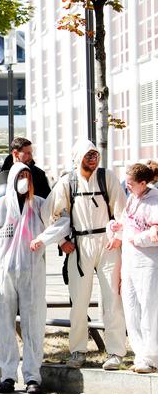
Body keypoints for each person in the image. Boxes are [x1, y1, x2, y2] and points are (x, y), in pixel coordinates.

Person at [0, 163, 70, 394]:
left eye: (27, 176)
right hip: (3, 276)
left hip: (32, 275)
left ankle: (32, 377)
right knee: (5, 326)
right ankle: (7, 375)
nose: (24, 180)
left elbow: (63, 222)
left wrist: (44, 239)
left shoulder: (40, 205)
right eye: (21, 176)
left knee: (33, 325)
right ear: (12, 180)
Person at [43, 140, 127, 370]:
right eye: (88, 155)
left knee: (112, 300)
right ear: (78, 157)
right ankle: (78, 351)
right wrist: (62, 241)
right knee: (78, 302)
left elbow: (122, 210)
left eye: (95, 155)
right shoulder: (67, 183)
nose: (93, 159)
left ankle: (116, 352)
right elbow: (48, 212)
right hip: (79, 245)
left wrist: (118, 235)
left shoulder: (106, 177)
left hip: (108, 244)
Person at [107, 164, 158, 373]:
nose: (127, 186)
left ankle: (151, 356)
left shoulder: (155, 201)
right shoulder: (132, 198)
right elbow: (129, 222)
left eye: (131, 183)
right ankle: (139, 354)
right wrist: (119, 227)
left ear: (144, 183)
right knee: (131, 308)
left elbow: (154, 233)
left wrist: (138, 238)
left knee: (149, 308)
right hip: (129, 260)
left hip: (148, 262)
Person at [0, 137, 50, 217]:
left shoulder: (39, 175)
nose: (31, 157)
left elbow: (47, 203)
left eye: (31, 153)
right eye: (27, 153)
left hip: (30, 226)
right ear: (16, 154)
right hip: (1, 227)